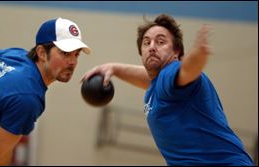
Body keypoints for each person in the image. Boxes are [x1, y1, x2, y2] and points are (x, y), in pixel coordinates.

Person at [81, 14, 254, 165]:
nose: (152, 47)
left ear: (176, 51)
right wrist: (114, 68)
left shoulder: (171, 72)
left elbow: (187, 70)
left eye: (161, 41)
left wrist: (199, 55)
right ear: (141, 52)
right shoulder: (157, 85)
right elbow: (148, 79)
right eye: (146, 42)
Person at [0, 17, 90, 166]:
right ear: (41, 52)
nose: (72, 62)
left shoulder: (14, 55)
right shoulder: (28, 98)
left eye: (77, 54)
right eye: (65, 53)